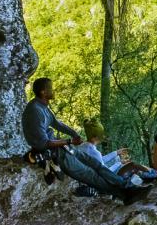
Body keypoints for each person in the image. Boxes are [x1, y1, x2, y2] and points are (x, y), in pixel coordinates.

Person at [21, 78, 149, 205]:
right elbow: (45, 143)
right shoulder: (35, 111)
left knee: (96, 164)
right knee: (90, 175)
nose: (53, 90)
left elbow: (57, 124)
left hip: (61, 148)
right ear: (43, 92)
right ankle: (125, 195)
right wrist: (70, 140)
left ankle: (129, 187)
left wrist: (74, 134)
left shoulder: (43, 106)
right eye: (51, 88)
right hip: (55, 153)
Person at [76, 119, 157, 183]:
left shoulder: (82, 147)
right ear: (95, 137)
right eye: (101, 135)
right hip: (106, 181)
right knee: (133, 165)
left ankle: (152, 175)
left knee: (132, 167)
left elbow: (100, 160)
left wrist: (117, 152)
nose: (103, 136)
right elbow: (106, 173)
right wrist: (120, 163)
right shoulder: (94, 152)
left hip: (93, 178)